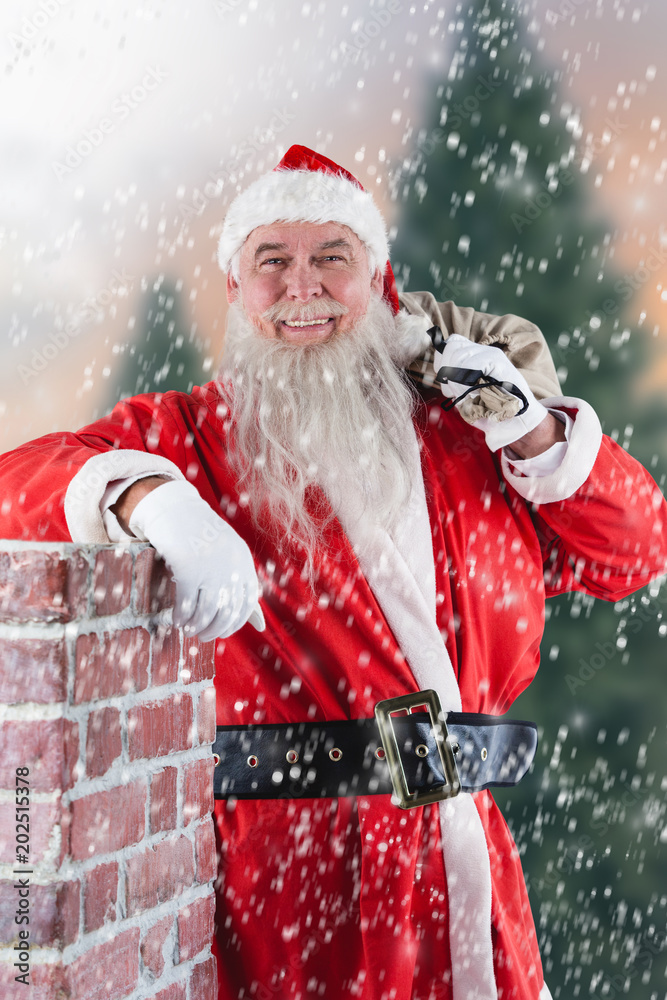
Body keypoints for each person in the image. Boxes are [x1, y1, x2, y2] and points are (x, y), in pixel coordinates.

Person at [1, 144, 665, 1000]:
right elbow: (18, 483)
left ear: (379, 281)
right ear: (235, 291)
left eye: (331, 259)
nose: (300, 286)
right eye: (270, 261)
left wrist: (534, 431)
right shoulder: (190, 437)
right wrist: (148, 499)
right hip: (291, 888)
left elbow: (634, 551)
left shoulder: (472, 441)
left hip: (472, 877)